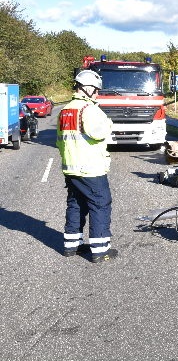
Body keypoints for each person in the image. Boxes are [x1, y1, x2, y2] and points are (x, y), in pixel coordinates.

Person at [57, 70, 117, 262]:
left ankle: (71, 246)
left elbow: (60, 141)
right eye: (96, 90)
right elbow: (98, 133)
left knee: (76, 204)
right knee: (100, 204)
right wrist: (108, 123)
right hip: (90, 168)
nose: (98, 94)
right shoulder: (88, 109)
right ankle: (100, 250)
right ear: (88, 89)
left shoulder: (66, 110)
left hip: (71, 167)